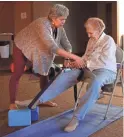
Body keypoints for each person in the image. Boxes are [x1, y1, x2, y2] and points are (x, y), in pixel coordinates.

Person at [16, 17, 117, 132]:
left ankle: (76, 118)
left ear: (99, 30)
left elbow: (103, 61)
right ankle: (36, 101)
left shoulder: (108, 40)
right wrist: (75, 63)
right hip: (88, 68)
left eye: (90, 33)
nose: (88, 36)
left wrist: (82, 62)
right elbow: (86, 56)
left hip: (105, 70)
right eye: (87, 33)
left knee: (95, 83)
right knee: (65, 76)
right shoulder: (91, 40)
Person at [9, 4, 83, 110]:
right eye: (62, 19)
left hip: (38, 49)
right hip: (22, 46)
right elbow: (53, 47)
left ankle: (44, 99)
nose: (64, 22)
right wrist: (76, 58)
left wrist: (67, 58)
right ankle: (12, 102)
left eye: (65, 19)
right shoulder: (42, 24)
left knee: (45, 73)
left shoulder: (60, 28)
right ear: (53, 17)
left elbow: (67, 45)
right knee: (18, 73)